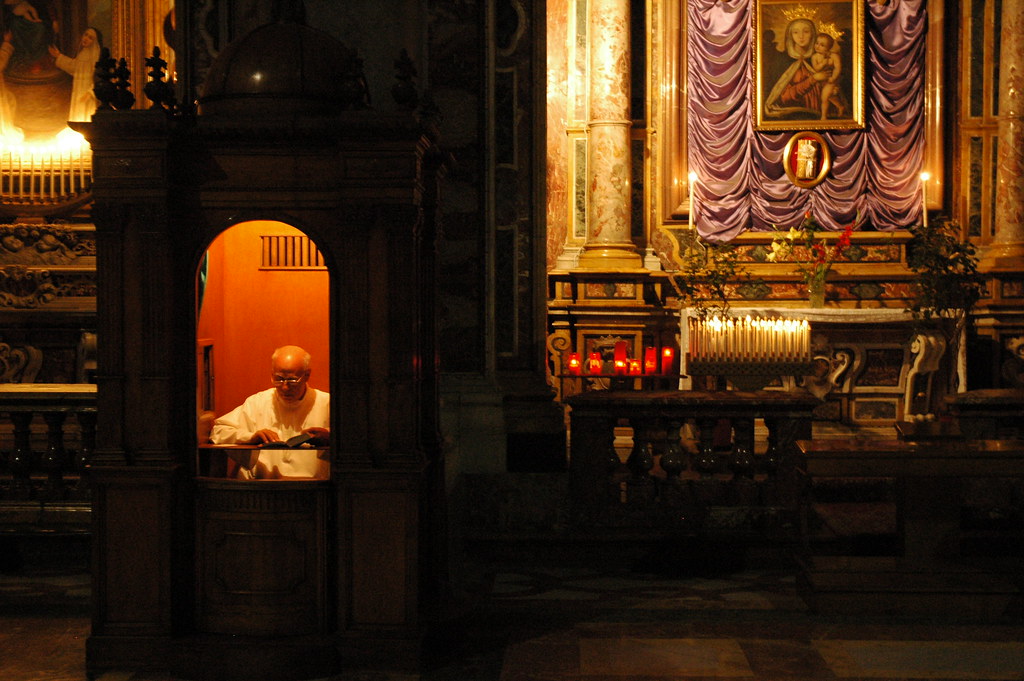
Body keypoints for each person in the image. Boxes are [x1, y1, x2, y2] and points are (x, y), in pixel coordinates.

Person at [209, 345, 331, 479]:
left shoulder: (327, 403)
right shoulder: (257, 402)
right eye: (278, 379)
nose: (285, 387)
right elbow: (219, 431)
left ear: (307, 375)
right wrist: (250, 437)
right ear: (272, 375)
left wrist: (329, 438)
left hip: (313, 489)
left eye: (292, 380)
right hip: (263, 486)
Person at [763, 17, 832, 120]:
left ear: (812, 35)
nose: (801, 36)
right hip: (791, 115)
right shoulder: (781, 61)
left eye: (806, 32)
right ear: (790, 35)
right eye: (796, 32)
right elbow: (783, 98)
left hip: (816, 115)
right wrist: (813, 79)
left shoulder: (819, 59)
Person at [48, 26, 101, 122]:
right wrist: (59, 56)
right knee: (78, 115)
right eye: (86, 35)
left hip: (87, 91)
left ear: (94, 42)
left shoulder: (95, 56)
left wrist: (90, 92)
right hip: (79, 88)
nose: (86, 39)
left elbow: (97, 76)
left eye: (90, 38)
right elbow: (74, 67)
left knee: (86, 114)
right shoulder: (83, 53)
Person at [810, 33, 846, 119]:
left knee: (824, 97)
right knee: (830, 96)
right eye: (817, 43)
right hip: (820, 80)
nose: (817, 46)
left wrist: (833, 78)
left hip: (831, 80)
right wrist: (823, 63)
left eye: (822, 45)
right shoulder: (814, 57)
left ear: (828, 47)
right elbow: (816, 69)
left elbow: (838, 68)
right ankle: (840, 107)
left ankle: (823, 117)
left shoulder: (834, 56)